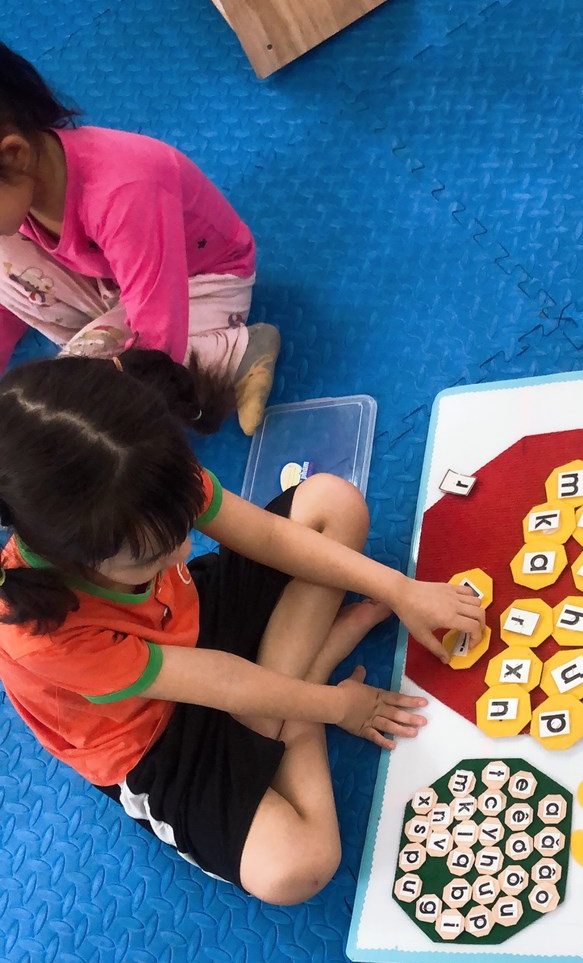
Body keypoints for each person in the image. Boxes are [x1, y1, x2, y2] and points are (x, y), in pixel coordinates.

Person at [0, 353, 483, 903]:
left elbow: (268, 537)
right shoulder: (42, 634)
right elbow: (222, 682)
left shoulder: (143, 470)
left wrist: (399, 589)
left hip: (194, 625)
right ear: (76, 557)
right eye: (155, 555)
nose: (186, 550)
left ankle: (285, 702)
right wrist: (334, 707)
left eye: (184, 526)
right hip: (154, 735)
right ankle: (303, 690)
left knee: (333, 502)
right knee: (298, 867)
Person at [0, 43, 278, 434]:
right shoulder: (21, 190)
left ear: (14, 155)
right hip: (115, 280)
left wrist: (104, 401)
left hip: (200, 282)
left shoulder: (123, 192)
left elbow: (159, 347)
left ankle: (238, 351)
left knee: (80, 400)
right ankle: (104, 344)